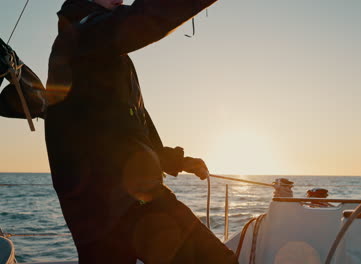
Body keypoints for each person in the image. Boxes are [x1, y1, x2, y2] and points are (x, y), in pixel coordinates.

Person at [0, 0, 238, 263]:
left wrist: (176, 160)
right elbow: (145, 17)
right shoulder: (79, 38)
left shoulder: (106, 53)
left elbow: (131, 129)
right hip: (117, 205)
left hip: (110, 209)